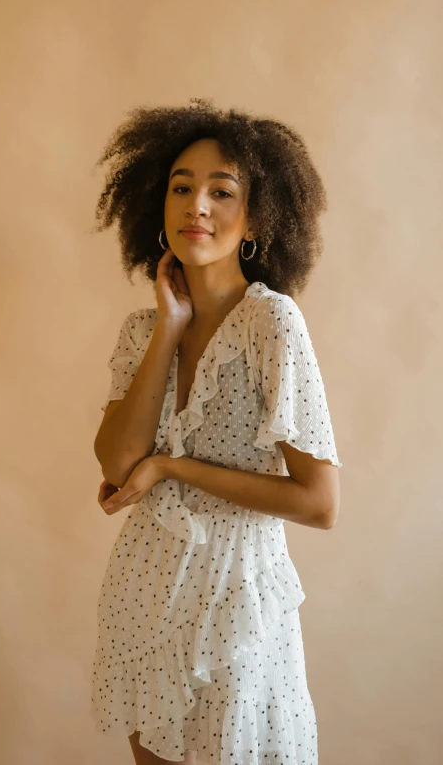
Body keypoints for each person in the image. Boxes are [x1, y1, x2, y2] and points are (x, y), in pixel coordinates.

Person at [90, 98, 342, 765]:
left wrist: (173, 468)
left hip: (236, 601)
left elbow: (319, 503)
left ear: (256, 218)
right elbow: (119, 462)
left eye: (221, 191)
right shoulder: (144, 330)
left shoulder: (272, 324)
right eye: (180, 187)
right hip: (146, 592)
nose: (195, 205)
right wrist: (169, 327)